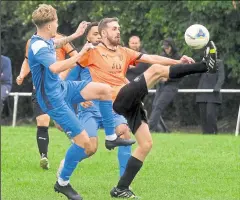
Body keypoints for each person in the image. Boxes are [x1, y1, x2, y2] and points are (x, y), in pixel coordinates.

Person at [77, 17, 218, 198]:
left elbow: (151, 58)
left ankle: (121, 188)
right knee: (155, 71)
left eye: (119, 28)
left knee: (146, 144)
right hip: (115, 100)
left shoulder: (123, 51)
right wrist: (78, 95)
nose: (118, 31)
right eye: (114, 29)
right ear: (103, 33)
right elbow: (70, 70)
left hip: (130, 101)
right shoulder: (92, 51)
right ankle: (205, 66)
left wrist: (177, 61)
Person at [28, 5, 134, 200]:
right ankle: (62, 183)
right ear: (50, 25)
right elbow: (56, 66)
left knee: (104, 90)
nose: (58, 24)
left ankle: (111, 137)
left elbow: (57, 43)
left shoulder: (45, 39)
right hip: (52, 99)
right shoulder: (38, 46)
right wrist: (81, 52)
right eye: (57, 22)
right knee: (85, 144)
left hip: (61, 88)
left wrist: (76, 34)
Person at [58, 22, 133, 178]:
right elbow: (67, 85)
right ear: (87, 37)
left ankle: (123, 184)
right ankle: (67, 162)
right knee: (90, 148)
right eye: (94, 34)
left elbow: (120, 78)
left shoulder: (111, 55)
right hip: (90, 109)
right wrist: (79, 99)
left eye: (100, 34)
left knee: (125, 132)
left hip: (111, 107)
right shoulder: (83, 58)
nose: (98, 37)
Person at [16, 33, 79, 170]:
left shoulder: (62, 39)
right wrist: (22, 74)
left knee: (60, 125)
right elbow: (27, 60)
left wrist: (64, 72)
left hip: (56, 87)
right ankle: (44, 157)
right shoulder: (32, 42)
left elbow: (76, 57)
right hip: (39, 89)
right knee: (42, 121)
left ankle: (78, 143)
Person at [149, 37, 182, 133]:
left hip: (171, 86)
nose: (166, 49)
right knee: (155, 106)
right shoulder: (162, 56)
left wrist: (168, 78)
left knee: (158, 106)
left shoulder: (178, 58)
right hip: (161, 85)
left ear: (172, 47)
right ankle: (163, 130)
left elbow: (181, 74)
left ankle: (150, 128)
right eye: (165, 47)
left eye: (168, 47)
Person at [196, 59, 225, 134]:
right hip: (202, 93)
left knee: (210, 115)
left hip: (213, 94)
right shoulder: (203, 64)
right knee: (203, 117)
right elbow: (196, 75)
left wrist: (217, 86)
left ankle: (213, 133)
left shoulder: (218, 63)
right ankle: (205, 135)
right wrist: (201, 65)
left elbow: (221, 76)